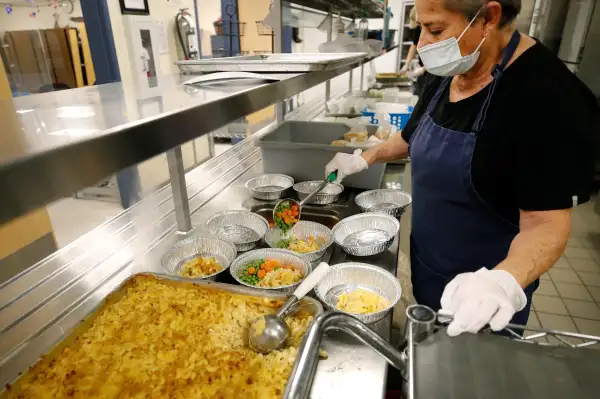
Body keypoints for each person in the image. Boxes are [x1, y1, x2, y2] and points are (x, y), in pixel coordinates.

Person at [326, 0, 597, 336]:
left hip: (481, 298)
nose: (423, 43)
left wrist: (504, 281)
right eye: (420, 28)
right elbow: (413, 134)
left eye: (435, 29)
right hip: (429, 268)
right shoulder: (450, 69)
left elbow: (547, 226)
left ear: (488, 18)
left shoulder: (549, 99)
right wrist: (364, 157)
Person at [399, 7, 428, 96]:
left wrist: (423, 69)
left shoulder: (432, 30)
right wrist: (406, 64)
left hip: (434, 71)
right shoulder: (418, 29)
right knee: (418, 94)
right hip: (424, 67)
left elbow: (440, 55)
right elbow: (414, 45)